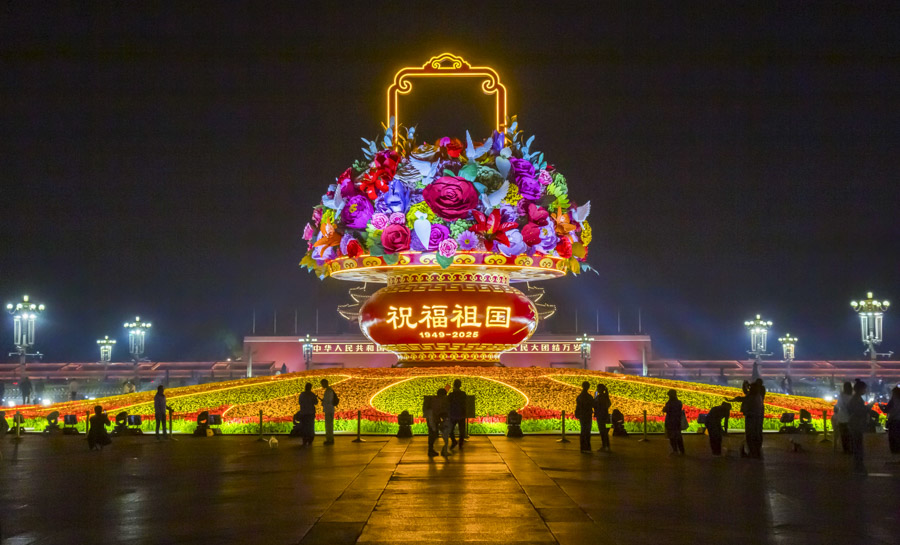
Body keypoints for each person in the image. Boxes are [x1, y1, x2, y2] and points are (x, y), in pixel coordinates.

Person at [847, 380, 875, 475]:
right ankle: (858, 466)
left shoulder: (857, 398)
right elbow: (859, 411)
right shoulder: (856, 399)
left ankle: (858, 465)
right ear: (860, 389)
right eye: (864, 389)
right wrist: (869, 407)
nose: (865, 390)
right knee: (858, 445)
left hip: (856, 424)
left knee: (858, 445)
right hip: (856, 424)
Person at [663, 389, 685, 455]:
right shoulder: (679, 402)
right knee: (678, 437)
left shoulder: (670, 403)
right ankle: (682, 451)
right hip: (677, 421)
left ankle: (675, 451)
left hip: (670, 422)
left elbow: (665, 410)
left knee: (672, 437)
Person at [575, 381, 595, 453]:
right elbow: (593, 405)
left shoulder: (580, 396)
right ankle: (587, 447)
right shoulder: (589, 397)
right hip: (587, 415)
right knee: (587, 431)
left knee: (583, 430)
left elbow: (578, 406)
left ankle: (583, 447)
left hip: (582, 415)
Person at [834, 382, 853, 454]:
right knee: (850, 435)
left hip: (842, 417)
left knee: (843, 435)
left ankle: (845, 449)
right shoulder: (852, 397)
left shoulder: (841, 396)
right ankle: (851, 448)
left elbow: (838, 405)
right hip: (850, 418)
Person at [448, 379, 467, 450]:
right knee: (462, 430)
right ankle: (460, 444)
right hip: (461, 414)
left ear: (454, 385)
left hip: (453, 414)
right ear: (460, 385)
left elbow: (448, 403)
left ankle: (454, 441)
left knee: (450, 429)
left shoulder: (451, 395)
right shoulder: (463, 394)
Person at [881, 386, 900, 455]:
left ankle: (895, 451)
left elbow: (886, 410)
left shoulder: (893, 400)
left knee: (893, 436)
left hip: (894, 421)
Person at [432, 388, 451, 457]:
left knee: (435, 436)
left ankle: (443, 450)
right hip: (442, 420)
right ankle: (444, 450)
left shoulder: (434, 400)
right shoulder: (442, 402)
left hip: (436, 420)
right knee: (445, 436)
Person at [320, 378, 338, 445]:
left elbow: (328, 401)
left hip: (328, 410)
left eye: (322, 384)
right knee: (329, 424)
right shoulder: (329, 390)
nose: (322, 385)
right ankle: (330, 438)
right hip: (330, 409)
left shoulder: (328, 391)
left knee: (328, 425)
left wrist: (323, 402)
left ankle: (329, 439)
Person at [594, 383, 611, 451]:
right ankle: (606, 446)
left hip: (600, 415)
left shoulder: (601, 397)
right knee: (604, 431)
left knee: (602, 431)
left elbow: (594, 404)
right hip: (604, 414)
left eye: (598, 388)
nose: (597, 389)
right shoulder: (605, 396)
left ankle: (605, 446)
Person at [423, 393, 439, 457]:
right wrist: (434, 428)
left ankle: (431, 450)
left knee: (431, 436)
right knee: (432, 436)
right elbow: (431, 420)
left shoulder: (427, 410)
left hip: (431, 424)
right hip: (432, 425)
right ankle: (430, 450)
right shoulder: (431, 411)